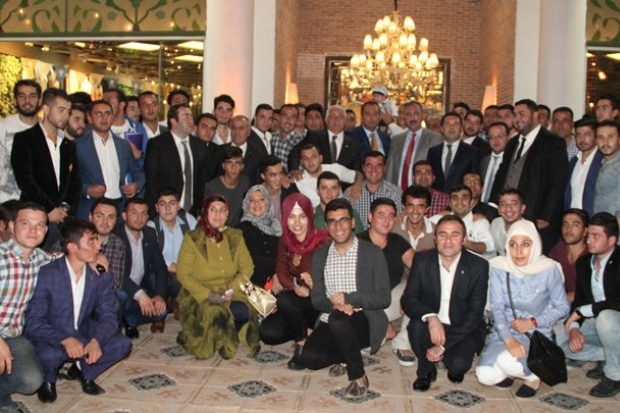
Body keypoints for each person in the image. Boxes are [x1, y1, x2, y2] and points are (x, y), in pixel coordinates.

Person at [25, 218, 131, 403]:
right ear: (72, 247)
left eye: (97, 240)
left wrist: (96, 341)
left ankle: (83, 371)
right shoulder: (48, 274)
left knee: (122, 344)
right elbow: (33, 321)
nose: (98, 247)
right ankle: (48, 379)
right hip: (54, 333)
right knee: (51, 356)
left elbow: (109, 315)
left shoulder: (101, 275)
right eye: (91, 241)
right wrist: (64, 339)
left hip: (82, 328)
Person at [302, 199, 391, 399]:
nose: (338, 226)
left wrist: (351, 299)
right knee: (310, 358)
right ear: (326, 226)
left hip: (365, 319)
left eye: (343, 220)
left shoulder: (372, 252)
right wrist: (335, 305)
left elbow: (384, 298)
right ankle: (346, 351)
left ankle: (358, 375)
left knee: (339, 320)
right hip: (332, 317)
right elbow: (317, 300)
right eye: (332, 221)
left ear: (352, 222)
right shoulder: (320, 256)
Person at [476, 220, 569, 398]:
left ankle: (534, 376)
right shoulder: (499, 267)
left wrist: (533, 321)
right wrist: (509, 339)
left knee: (506, 361)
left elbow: (563, 307)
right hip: (504, 331)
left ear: (535, 244)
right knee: (484, 376)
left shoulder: (549, 269)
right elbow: (496, 307)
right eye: (513, 244)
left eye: (525, 244)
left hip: (535, 333)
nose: (518, 251)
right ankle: (512, 367)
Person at [402, 215, 489, 392]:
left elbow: (474, 314)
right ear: (435, 238)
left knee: (458, 365)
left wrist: (442, 346)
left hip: (462, 326)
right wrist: (431, 317)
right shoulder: (422, 260)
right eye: (442, 234)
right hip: (431, 323)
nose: (448, 240)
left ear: (464, 240)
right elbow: (408, 298)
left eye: (455, 235)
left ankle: (450, 357)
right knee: (416, 326)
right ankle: (426, 370)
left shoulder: (478, 266)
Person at [176, 195, 260, 360]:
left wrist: (233, 287)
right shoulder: (193, 238)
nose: (218, 214)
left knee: (245, 310)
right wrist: (208, 294)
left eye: (222, 211)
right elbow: (183, 274)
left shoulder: (235, 236)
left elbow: (248, 266)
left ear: (227, 215)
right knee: (215, 313)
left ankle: (227, 333)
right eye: (213, 210)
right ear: (205, 213)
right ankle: (209, 335)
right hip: (200, 293)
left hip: (230, 290)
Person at [259, 193, 329, 369]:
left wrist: (310, 287)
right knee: (268, 333)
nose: (297, 222)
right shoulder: (285, 240)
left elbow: (327, 279)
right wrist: (296, 287)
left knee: (285, 299)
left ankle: (301, 342)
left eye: (302, 216)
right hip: (295, 300)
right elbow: (281, 273)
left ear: (310, 215)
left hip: (317, 303)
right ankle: (305, 329)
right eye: (291, 216)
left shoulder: (323, 241)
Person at [555, 212, 620, 398]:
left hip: (613, 320)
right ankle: (608, 356)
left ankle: (614, 375)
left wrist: (583, 311)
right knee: (556, 336)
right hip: (597, 323)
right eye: (589, 234)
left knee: (606, 318)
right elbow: (580, 300)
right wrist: (574, 328)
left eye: (596, 236)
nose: (589, 240)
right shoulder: (584, 262)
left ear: (612, 240)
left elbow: (616, 302)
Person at [11, 87, 81, 250]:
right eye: (61, 110)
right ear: (46, 109)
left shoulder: (68, 145)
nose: (65, 116)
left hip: (63, 219)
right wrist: (49, 209)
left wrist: (64, 208)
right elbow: (25, 180)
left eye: (68, 111)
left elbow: (75, 182)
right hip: (34, 217)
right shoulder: (25, 139)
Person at [358, 198, 415, 366]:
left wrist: (409, 293)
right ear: (370, 217)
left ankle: (402, 342)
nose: (386, 220)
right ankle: (376, 328)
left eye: (391, 216)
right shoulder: (357, 243)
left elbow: (420, 269)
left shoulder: (397, 241)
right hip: (363, 305)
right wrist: (383, 320)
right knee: (367, 347)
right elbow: (353, 286)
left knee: (420, 288)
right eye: (381, 215)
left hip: (391, 299)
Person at [75, 99, 144, 219]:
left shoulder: (123, 145)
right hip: (91, 208)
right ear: (89, 118)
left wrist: (136, 185)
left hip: (118, 208)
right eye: (98, 114)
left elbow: (138, 173)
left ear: (112, 118)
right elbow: (69, 181)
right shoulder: (78, 146)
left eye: (108, 113)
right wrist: (87, 189)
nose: (104, 118)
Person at [114, 198, 168, 338]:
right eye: (134, 212)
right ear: (124, 215)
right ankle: (116, 323)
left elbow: (160, 267)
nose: (139, 218)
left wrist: (159, 295)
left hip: (140, 286)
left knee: (161, 311)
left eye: (143, 213)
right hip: (119, 287)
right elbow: (117, 274)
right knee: (121, 296)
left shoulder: (150, 233)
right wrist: (140, 295)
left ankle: (129, 320)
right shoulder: (115, 235)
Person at [145, 103, 207, 216]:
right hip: (165, 210)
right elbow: (151, 179)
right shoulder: (158, 144)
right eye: (185, 116)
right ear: (173, 121)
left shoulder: (199, 145)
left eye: (191, 116)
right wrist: (160, 207)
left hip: (192, 211)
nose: (190, 120)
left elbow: (201, 181)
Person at [237, 185, 281, 288]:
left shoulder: (275, 226)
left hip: (277, 281)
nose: (257, 204)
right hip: (252, 284)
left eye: (261, 199)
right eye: (252, 200)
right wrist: (278, 267)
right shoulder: (240, 230)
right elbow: (251, 260)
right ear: (246, 204)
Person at [204, 146, 251, 227]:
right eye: (229, 163)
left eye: (237, 163)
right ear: (223, 166)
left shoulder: (245, 182)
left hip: (238, 230)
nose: (233, 168)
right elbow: (208, 216)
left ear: (242, 166)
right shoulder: (212, 187)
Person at [548, 209, 589, 302]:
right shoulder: (559, 249)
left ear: (585, 231)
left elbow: (588, 293)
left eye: (575, 225)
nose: (568, 229)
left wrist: (556, 299)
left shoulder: (590, 255)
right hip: (560, 303)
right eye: (565, 224)